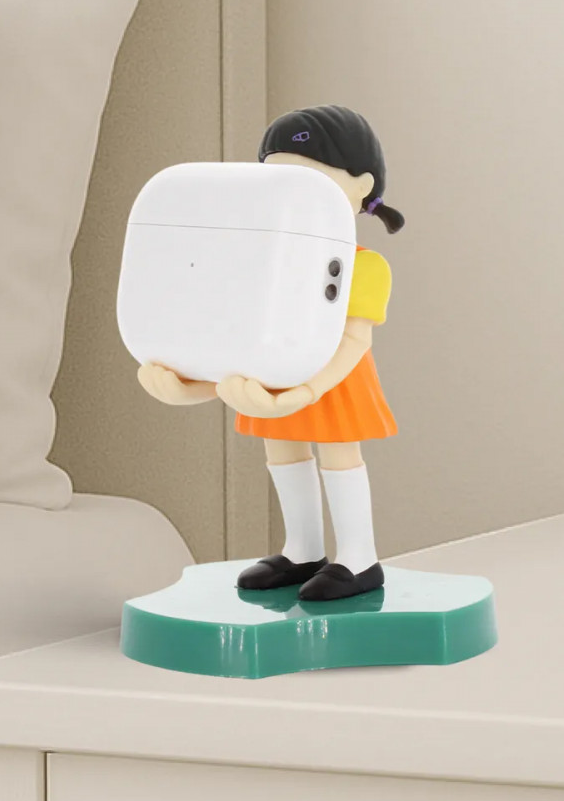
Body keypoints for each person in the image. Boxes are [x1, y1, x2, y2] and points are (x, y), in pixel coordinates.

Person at [138, 105, 405, 601]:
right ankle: (303, 550)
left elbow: (354, 340)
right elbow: (233, 333)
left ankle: (359, 558)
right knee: (282, 448)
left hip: (332, 381)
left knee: (338, 454)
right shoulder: (263, 263)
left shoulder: (365, 266)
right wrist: (190, 384)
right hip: (274, 373)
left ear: (362, 186)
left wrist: (307, 390)